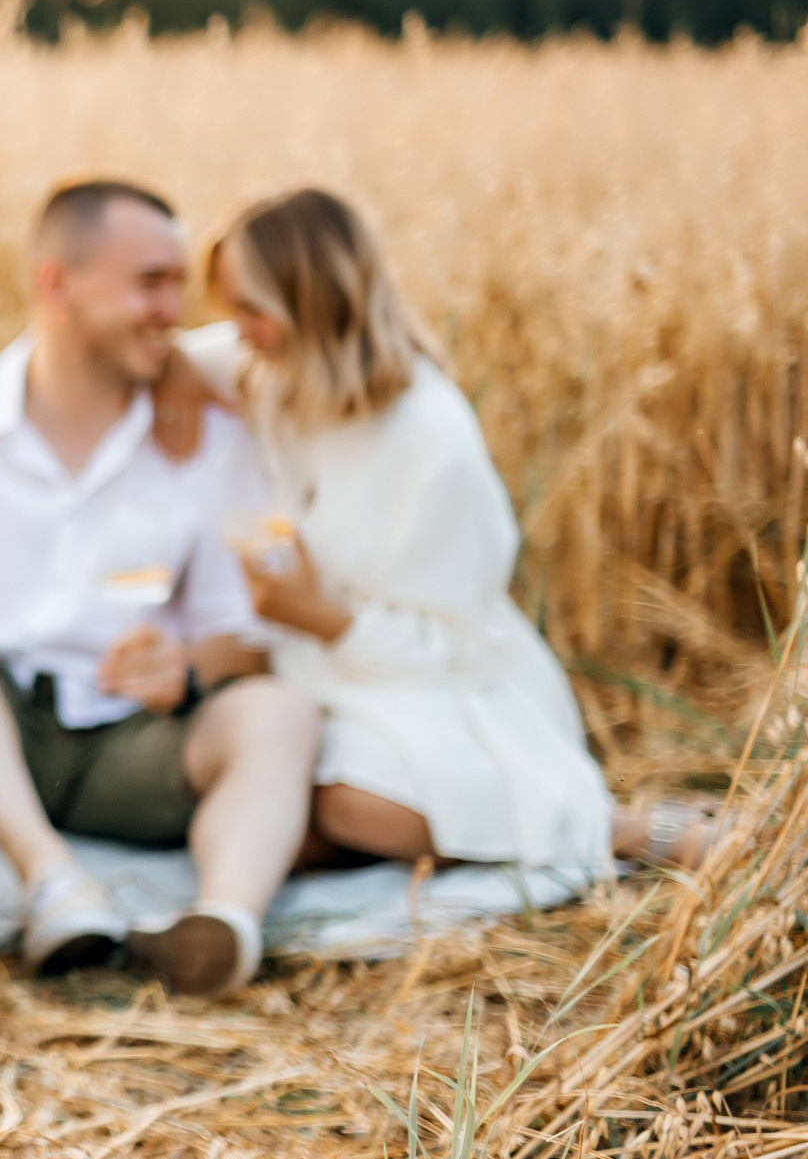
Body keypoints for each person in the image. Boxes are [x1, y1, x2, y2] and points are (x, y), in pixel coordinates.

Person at [0, 180, 321, 999]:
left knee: (277, 713)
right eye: (150, 282)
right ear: (55, 283)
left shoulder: (214, 437)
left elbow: (247, 632)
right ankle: (52, 879)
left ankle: (221, 928)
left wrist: (183, 664)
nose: (173, 309)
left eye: (178, 284)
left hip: (131, 740)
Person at [161, 186, 716, 872]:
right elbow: (173, 357)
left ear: (317, 305)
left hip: (436, 683)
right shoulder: (272, 369)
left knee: (351, 808)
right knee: (278, 810)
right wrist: (175, 396)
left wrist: (321, 617)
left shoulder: (429, 438)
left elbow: (456, 643)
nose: (235, 329)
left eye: (250, 309)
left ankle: (620, 829)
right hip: (317, 676)